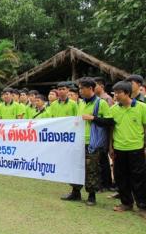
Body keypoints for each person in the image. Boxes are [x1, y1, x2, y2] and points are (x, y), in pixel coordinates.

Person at [61, 77, 113, 205]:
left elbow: (109, 122)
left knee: (92, 169)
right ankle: (75, 192)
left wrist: (93, 118)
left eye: (82, 88)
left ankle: (91, 196)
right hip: (78, 141)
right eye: (79, 88)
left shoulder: (101, 103)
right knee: (75, 167)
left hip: (92, 143)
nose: (80, 91)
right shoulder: (81, 103)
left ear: (90, 88)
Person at [110, 81, 146, 218]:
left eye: (119, 93)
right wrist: (110, 147)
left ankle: (142, 206)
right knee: (121, 177)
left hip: (137, 149)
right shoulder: (113, 109)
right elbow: (111, 130)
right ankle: (126, 203)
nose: (116, 95)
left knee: (139, 178)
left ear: (127, 93)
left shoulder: (142, 107)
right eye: (115, 93)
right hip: (119, 149)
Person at [93, 77, 115, 192]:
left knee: (103, 158)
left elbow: (110, 119)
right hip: (97, 133)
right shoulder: (96, 99)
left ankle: (106, 183)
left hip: (104, 133)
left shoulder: (106, 99)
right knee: (99, 158)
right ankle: (102, 182)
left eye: (94, 85)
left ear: (101, 86)